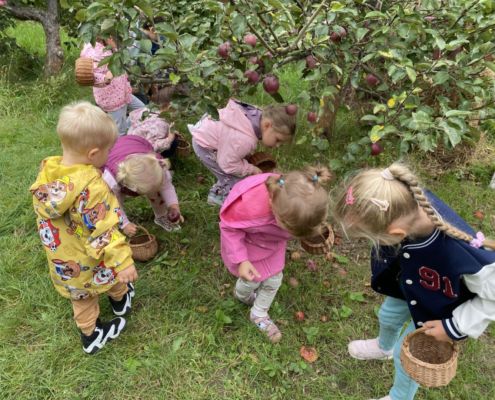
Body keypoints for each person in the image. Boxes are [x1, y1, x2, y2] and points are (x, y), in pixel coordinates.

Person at [333, 163, 495, 400]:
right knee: (387, 316)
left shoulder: (460, 253)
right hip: (412, 286)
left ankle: (399, 396)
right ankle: (384, 347)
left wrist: (454, 327)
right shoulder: (404, 202)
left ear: (397, 234)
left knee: (406, 355)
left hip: (439, 310)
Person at [30, 101, 138, 354]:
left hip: (65, 258)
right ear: (93, 154)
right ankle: (95, 332)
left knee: (83, 293)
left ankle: (112, 308)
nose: (109, 154)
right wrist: (123, 261)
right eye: (108, 150)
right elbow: (105, 229)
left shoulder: (49, 172)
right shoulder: (92, 187)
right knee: (106, 275)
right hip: (91, 255)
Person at [220, 166, 331, 343]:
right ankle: (242, 295)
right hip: (250, 247)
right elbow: (229, 227)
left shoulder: (289, 197)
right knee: (251, 279)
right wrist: (241, 260)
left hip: (272, 244)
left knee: (274, 280)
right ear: (271, 203)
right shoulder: (249, 211)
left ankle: (258, 313)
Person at [188, 99, 297, 206]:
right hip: (205, 146)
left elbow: (234, 143)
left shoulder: (255, 116)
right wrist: (250, 169)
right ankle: (220, 198)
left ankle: (219, 191)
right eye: (278, 140)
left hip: (208, 132)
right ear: (267, 125)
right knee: (234, 178)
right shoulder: (245, 140)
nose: (277, 146)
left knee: (236, 167)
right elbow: (227, 164)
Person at [102, 135, 182, 234]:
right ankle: (118, 223)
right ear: (133, 189)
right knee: (114, 200)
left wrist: (173, 206)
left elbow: (167, 187)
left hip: (134, 143)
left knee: (157, 191)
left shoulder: (157, 166)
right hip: (111, 155)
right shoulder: (111, 181)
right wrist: (125, 224)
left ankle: (161, 215)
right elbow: (113, 205)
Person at [80, 38, 145, 135]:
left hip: (124, 92)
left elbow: (119, 59)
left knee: (143, 110)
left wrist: (114, 46)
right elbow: (88, 74)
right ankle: (118, 141)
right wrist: (106, 78)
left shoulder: (108, 43)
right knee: (120, 132)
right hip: (112, 98)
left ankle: (125, 129)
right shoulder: (92, 51)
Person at [127, 86, 178, 158]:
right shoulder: (160, 126)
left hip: (131, 142)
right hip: (139, 154)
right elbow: (152, 148)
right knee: (174, 142)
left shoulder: (148, 110)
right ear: (170, 107)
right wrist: (169, 138)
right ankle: (158, 160)